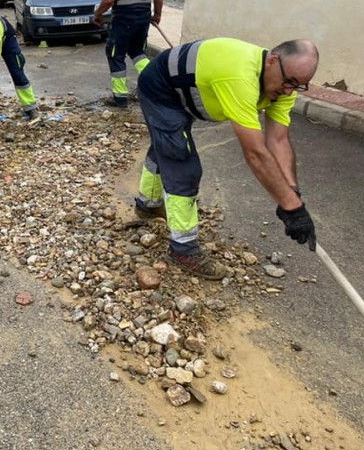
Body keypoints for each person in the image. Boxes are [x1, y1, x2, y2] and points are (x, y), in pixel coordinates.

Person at [133, 37, 319, 280]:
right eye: (289, 82)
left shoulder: (283, 85)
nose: (289, 91)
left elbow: (279, 141)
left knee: (166, 146)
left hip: (185, 92)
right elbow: (255, 153)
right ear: (273, 61)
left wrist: (292, 193)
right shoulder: (240, 77)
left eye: (299, 86)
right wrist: (291, 208)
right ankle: (183, 248)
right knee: (181, 161)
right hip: (159, 88)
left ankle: (147, 205)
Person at [93, 0, 163, 107]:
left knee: (114, 53)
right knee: (138, 52)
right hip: (143, 18)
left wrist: (98, 13)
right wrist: (157, 15)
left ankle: (120, 97)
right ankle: (155, 87)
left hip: (124, 20)